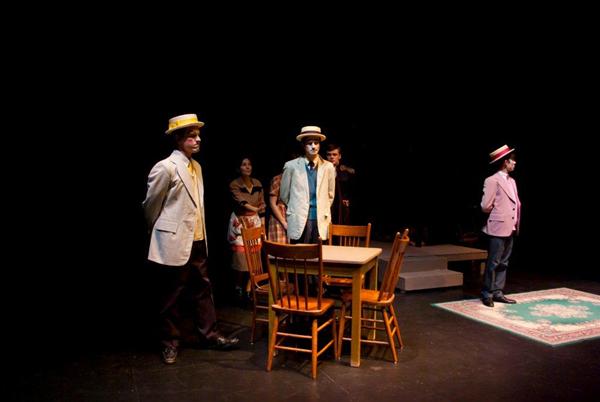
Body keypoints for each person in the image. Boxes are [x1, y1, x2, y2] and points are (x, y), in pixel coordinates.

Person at [143, 113, 239, 364]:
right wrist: (161, 232)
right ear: (178, 139)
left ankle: (209, 334)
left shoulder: (197, 167)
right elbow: (151, 205)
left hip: (197, 239)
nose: (198, 140)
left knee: (203, 289)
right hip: (173, 239)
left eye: (198, 135)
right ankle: (170, 342)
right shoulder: (165, 167)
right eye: (192, 136)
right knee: (172, 294)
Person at [480, 144, 521, 307]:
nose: (514, 164)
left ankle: (498, 292)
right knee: (494, 262)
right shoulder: (492, 180)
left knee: (504, 262)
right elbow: (485, 206)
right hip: (498, 226)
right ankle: (487, 293)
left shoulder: (512, 181)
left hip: (510, 226)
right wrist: (498, 212)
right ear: (505, 162)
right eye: (513, 161)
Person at [280, 126, 336, 244]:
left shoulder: (328, 167)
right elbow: (284, 195)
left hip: (320, 218)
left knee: (319, 256)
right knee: (299, 256)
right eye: (310, 143)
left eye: (316, 143)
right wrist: (297, 207)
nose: (313, 146)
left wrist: (322, 207)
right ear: (303, 145)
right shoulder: (291, 166)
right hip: (299, 218)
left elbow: (330, 194)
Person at [227, 157, 266, 299]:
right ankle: (238, 286)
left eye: (249, 164)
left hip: (254, 221)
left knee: (255, 255)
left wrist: (263, 227)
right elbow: (242, 202)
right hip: (240, 221)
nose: (247, 167)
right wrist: (255, 208)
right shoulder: (234, 184)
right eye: (244, 164)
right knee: (241, 257)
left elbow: (262, 205)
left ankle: (250, 287)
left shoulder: (257, 183)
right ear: (239, 168)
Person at [326, 143, 356, 225]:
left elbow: (352, 187)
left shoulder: (345, 171)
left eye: (334, 154)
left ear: (339, 156)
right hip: (328, 205)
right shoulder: (323, 171)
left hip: (342, 207)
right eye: (329, 155)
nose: (332, 157)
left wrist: (348, 199)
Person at [267, 172, 288, 243]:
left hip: (291, 215)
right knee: (279, 247)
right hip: (279, 216)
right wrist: (284, 222)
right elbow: (272, 203)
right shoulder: (278, 179)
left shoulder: (296, 179)